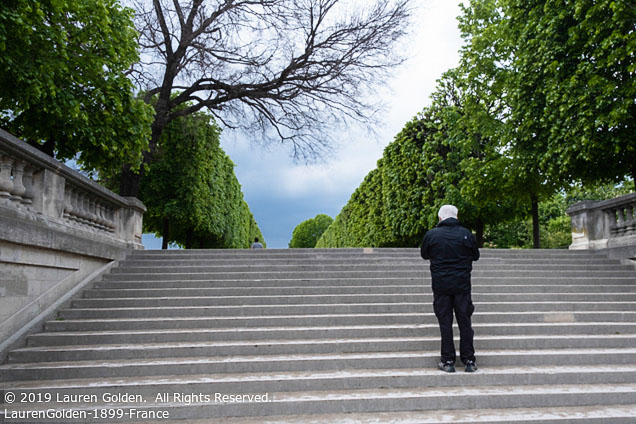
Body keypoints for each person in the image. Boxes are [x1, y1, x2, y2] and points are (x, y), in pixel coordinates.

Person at [420, 204, 480, 373]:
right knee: (465, 322)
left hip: (441, 286)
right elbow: (475, 256)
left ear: (440, 218)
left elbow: (424, 254)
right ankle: (469, 360)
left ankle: (447, 361)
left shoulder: (432, 235)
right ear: (456, 216)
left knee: (445, 323)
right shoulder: (466, 234)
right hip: (462, 285)